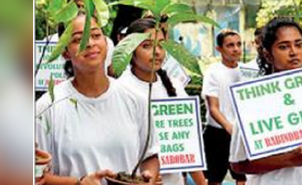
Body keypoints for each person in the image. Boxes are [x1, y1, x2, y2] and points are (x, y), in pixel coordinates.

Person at [36, 11, 160, 185]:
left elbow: (150, 156)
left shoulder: (134, 99)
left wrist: (148, 177)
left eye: (95, 35)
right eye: (79, 39)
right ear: (65, 52)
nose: (90, 43)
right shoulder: (49, 105)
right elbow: (36, 175)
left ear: (107, 43)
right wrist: (79, 183)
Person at [118, 18, 207, 185]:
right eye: (147, 46)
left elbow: (187, 143)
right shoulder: (120, 90)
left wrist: (201, 182)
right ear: (130, 49)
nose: (156, 52)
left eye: (161, 45)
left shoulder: (175, 86)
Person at [229, 17, 302, 185]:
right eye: (283, 47)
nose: (294, 52)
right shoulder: (254, 99)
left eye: (298, 44)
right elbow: (237, 164)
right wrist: (288, 159)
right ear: (267, 54)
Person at [202, 29, 246, 185]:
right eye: (230, 45)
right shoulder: (213, 72)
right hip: (217, 134)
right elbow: (213, 108)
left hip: (241, 132)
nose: (236, 49)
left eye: (239, 44)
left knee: (242, 176)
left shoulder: (246, 71)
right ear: (219, 49)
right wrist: (229, 127)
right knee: (214, 178)